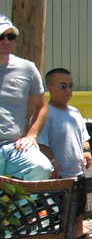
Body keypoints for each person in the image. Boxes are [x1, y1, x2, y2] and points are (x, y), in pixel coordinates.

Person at [37, 68, 92, 239]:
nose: (68, 90)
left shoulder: (74, 112)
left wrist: (86, 151)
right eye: (63, 86)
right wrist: (52, 161)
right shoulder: (46, 114)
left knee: (79, 205)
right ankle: (56, 236)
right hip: (59, 173)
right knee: (59, 208)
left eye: (71, 86)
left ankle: (78, 232)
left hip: (76, 171)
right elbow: (41, 143)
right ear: (50, 87)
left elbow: (84, 137)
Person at [0, 14, 53, 181]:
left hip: (14, 146)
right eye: (1, 36)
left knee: (42, 168)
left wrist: (31, 136)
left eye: (11, 36)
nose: (6, 41)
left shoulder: (27, 68)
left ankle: (21, 208)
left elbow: (42, 106)